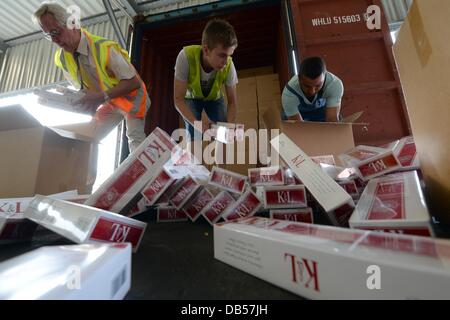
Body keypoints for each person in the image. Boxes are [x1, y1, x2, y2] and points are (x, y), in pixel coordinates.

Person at [33, 2, 150, 152]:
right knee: (87, 137)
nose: (55, 40)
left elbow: (134, 83)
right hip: (110, 102)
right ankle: (86, 175)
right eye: (49, 35)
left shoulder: (104, 48)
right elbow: (86, 89)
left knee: (135, 139)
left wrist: (100, 97)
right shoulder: (62, 58)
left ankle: (151, 171)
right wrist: (70, 99)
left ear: (72, 23)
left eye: (56, 32)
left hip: (132, 99)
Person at [173, 19, 238, 140]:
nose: (226, 61)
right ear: (206, 49)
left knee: (224, 133)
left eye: (229, 55)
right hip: (191, 98)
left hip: (214, 99)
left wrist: (228, 126)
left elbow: (233, 102)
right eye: (222, 55)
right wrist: (197, 124)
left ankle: (221, 158)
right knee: (193, 132)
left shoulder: (229, 65)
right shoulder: (185, 57)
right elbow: (178, 100)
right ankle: (193, 158)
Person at [281, 56, 343, 122]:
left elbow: (331, 119)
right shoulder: (289, 93)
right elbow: (298, 127)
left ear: (325, 77)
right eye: (307, 86)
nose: (312, 91)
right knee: (286, 121)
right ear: (299, 79)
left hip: (322, 114)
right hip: (300, 116)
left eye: (317, 86)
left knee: (338, 120)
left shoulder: (334, 84)